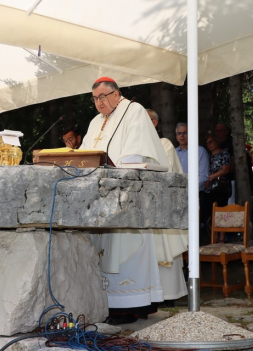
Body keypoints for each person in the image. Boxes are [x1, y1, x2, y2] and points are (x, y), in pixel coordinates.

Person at [81, 76, 171, 325]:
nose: (99, 103)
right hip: (100, 194)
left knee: (126, 246)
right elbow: (87, 152)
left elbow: (135, 148)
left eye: (103, 97)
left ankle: (131, 306)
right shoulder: (95, 121)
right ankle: (107, 304)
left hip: (127, 192)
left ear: (116, 94)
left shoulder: (134, 110)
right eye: (95, 99)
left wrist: (117, 172)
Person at [146, 109, 188, 303]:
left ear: (154, 123)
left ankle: (170, 294)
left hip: (163, 204)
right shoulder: (136, 145)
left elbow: (168, 173)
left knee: (165, 247)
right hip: (144, 205)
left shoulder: (165, 144)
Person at [204, 133, 231, 243]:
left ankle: (222, 238)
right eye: (207, 142)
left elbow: (225, 169)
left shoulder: (224, 153)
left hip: (221, 187)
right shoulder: (208, 156)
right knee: (211, 213)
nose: (209, 144)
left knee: (221, 212)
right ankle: (213, 237)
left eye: (211, 141)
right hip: (210, 188)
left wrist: (212, 177)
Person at [215, 123, 235, 204]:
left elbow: (234, 159)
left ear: (226, 132)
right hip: (216, 181)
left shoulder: (231, 143)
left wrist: (229, 170)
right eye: (216, 131)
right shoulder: (216, 144)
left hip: (229, 178)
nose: (218, 133)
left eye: (220, 130)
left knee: (229, 203)